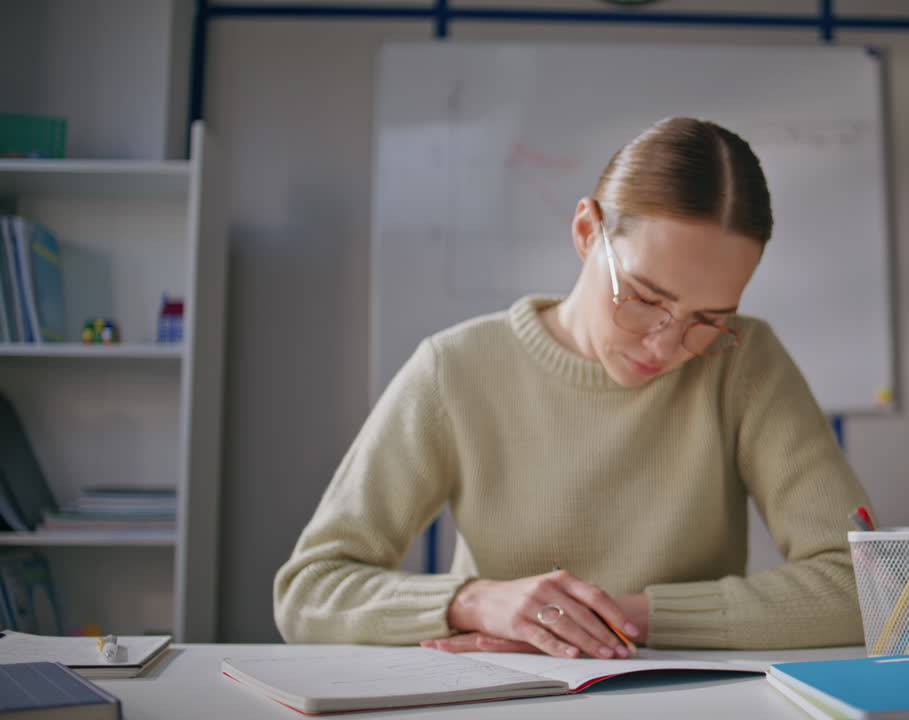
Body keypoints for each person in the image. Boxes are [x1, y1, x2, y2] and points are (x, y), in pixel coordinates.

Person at [274, 116, 873, 659]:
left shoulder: (747, 360)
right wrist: (475, 602)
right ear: (587, 231)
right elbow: (310, 590)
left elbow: (863, 585)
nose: (666, 346)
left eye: (709, 319)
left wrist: (621, 619)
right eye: (643, 299)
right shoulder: (454, 368)